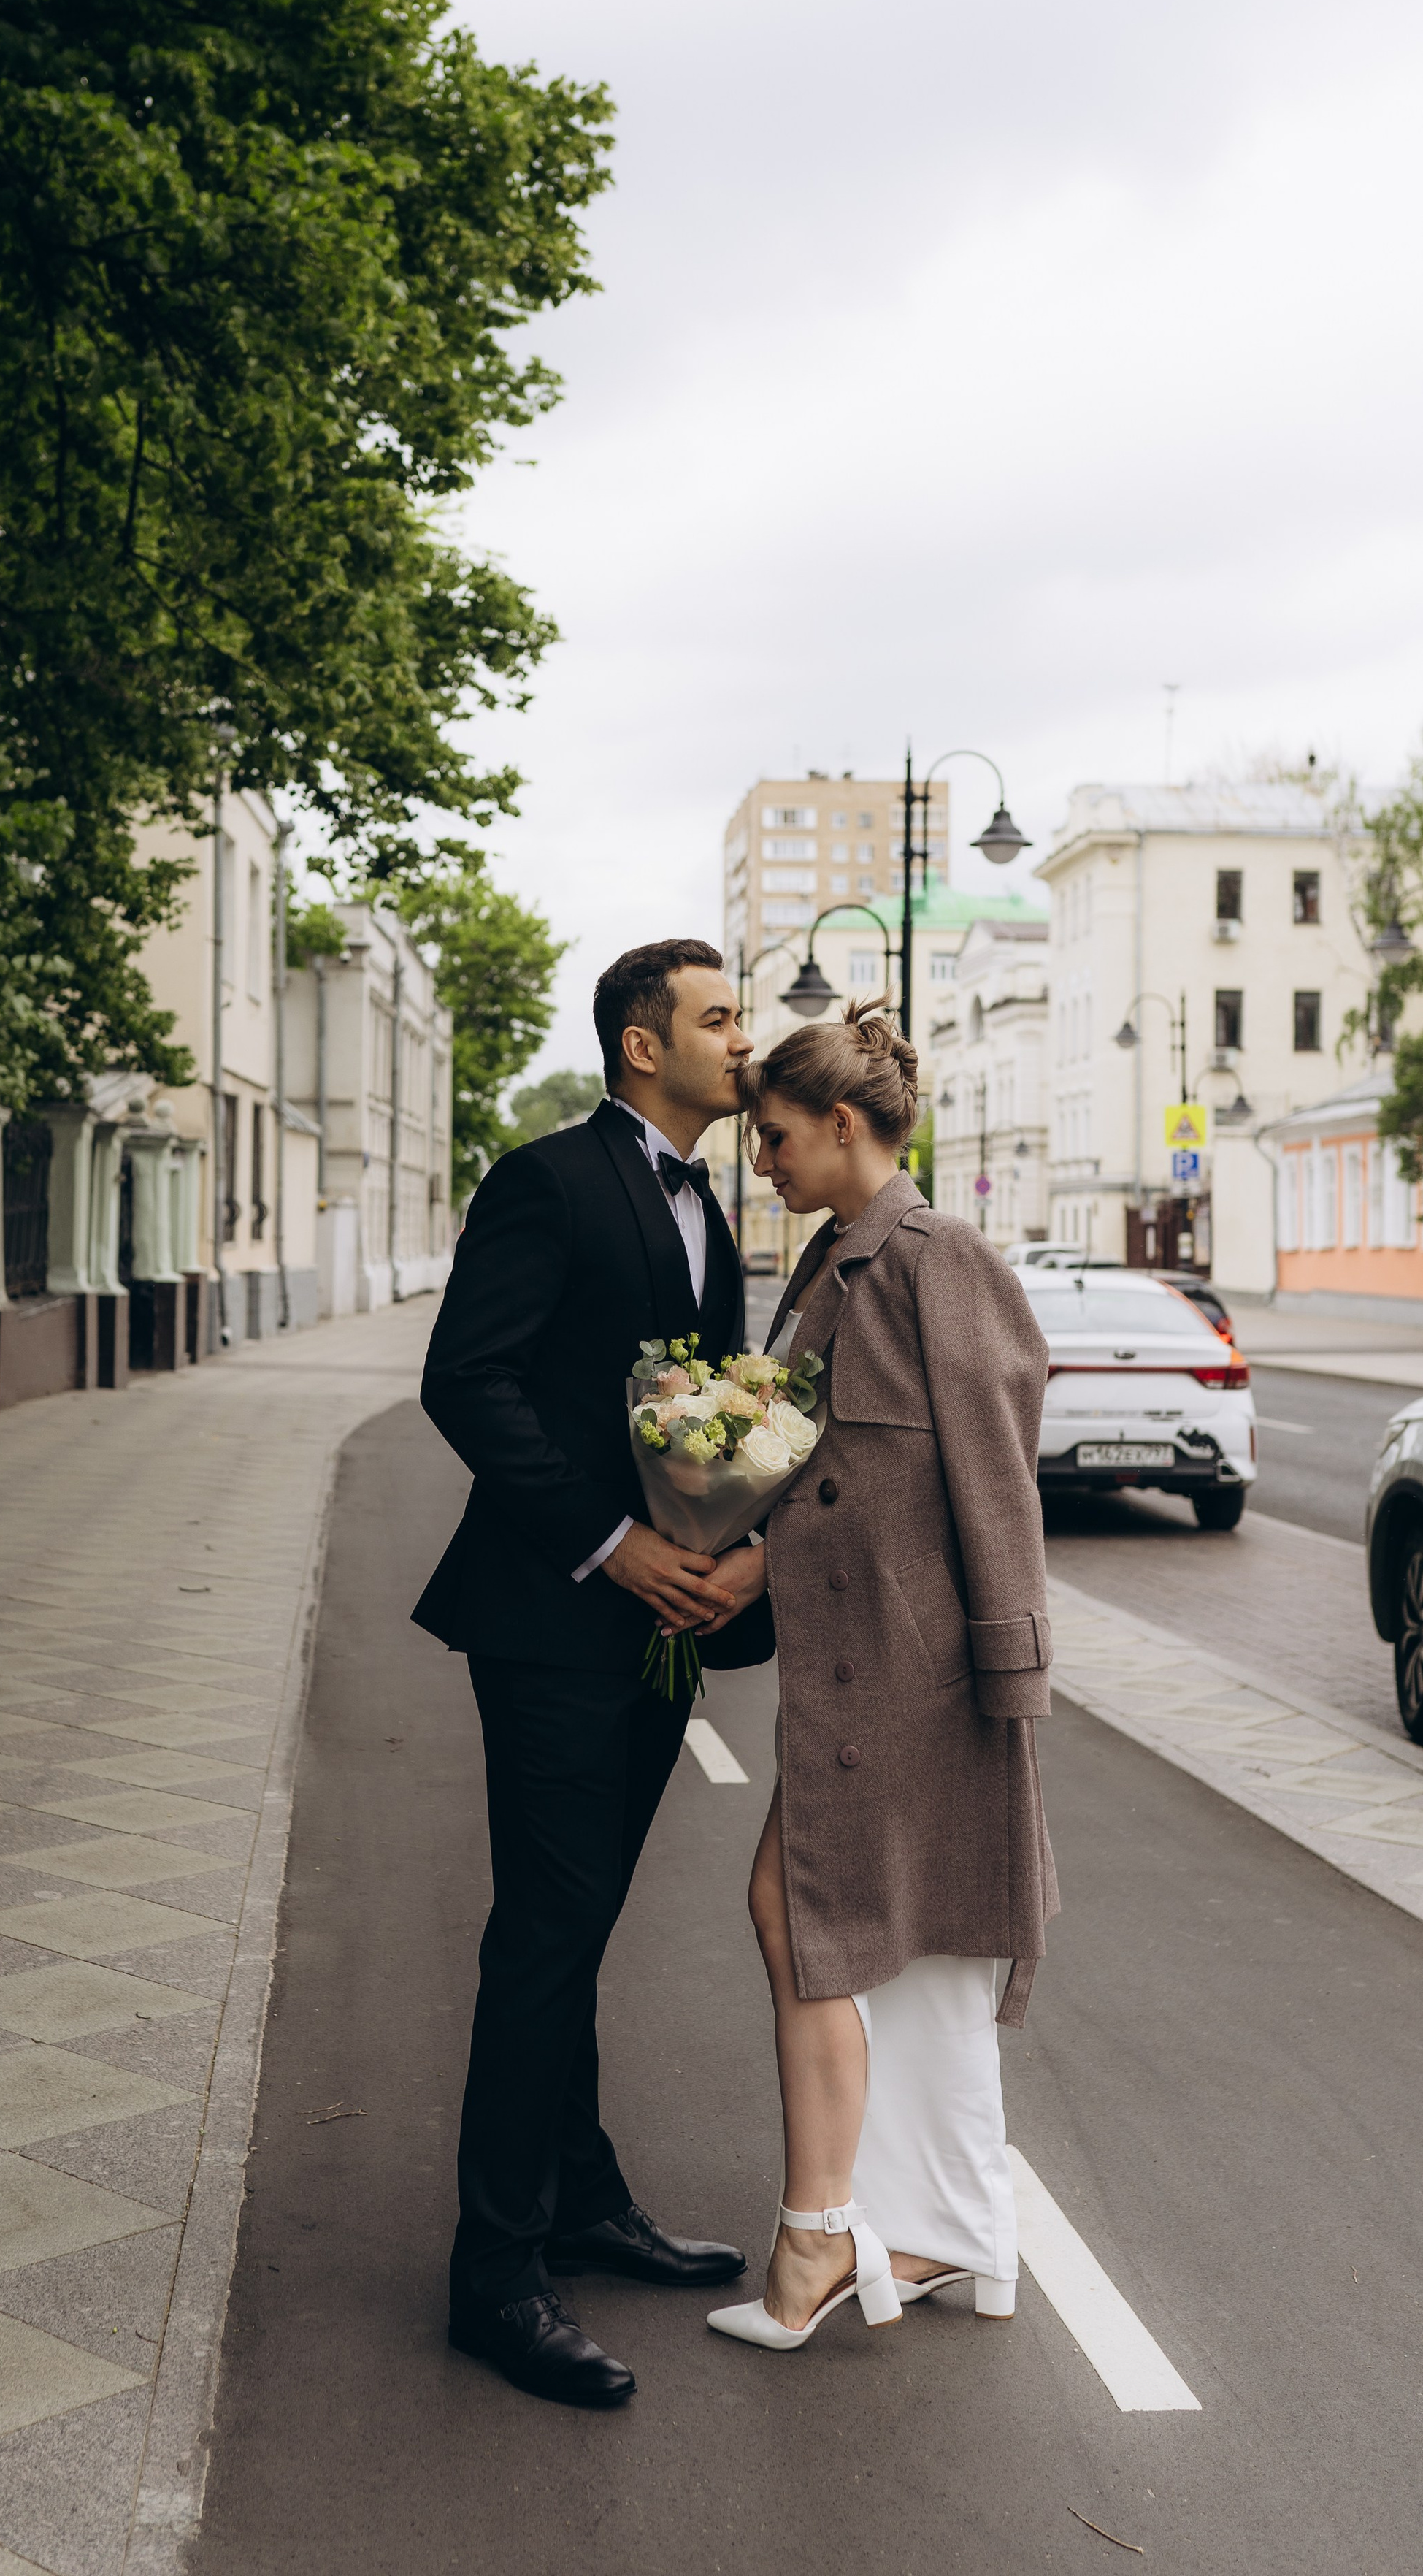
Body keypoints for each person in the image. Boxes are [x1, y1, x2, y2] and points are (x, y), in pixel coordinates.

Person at [415, 939, 756, 2407]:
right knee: (544, 1936)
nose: (742, 1040)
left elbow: (703, 1412)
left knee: (581, 1924)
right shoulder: (547, 1181)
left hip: (657, 1629)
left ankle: (580, 2198)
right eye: (718, 1017)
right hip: (551, 1617)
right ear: (640, 1045)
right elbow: (465, 1380)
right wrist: (613, 1543)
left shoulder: (710, 1207)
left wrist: (725, 1556)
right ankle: (494, 2277)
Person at [690, 1000, 1057, 2353]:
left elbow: (995, 1484)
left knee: (803, 1913)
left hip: (915, 1677)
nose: (762, 1164)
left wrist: (1014, 1678)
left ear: (844, 1126)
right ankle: (943, 2233)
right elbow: (810, 1466)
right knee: (851, 1937)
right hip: (851, 1671)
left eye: (777, 1140)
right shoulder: (827, 1268)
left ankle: (823, 2242)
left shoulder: (934, 1258)